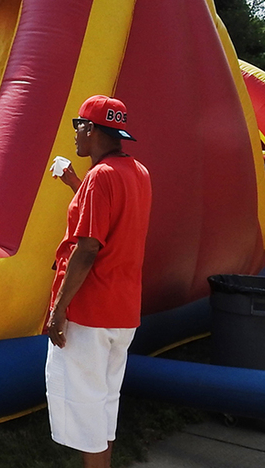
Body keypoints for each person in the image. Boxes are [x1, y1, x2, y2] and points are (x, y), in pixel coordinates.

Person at [46, 95, 152, 468]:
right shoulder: (137, 171)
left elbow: (88, 248)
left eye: (78, 126)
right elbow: (110, 220)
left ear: (91, 129)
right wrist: (76, 182)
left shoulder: (101, 176)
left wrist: (58, 310)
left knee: (84, 407)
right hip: (122, 310)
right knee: (104, 404)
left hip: (90, 311)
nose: (75, 134)